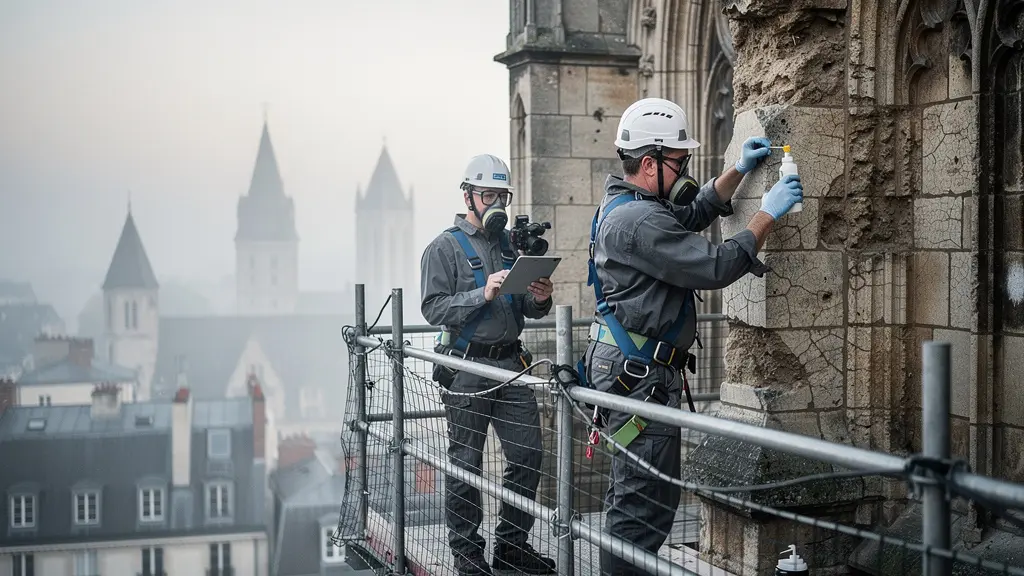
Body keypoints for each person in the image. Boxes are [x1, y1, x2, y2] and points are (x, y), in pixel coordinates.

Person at [581, 97, 803, 576]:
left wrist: (737, 171)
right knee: (643, 507)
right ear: (648, 163)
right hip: (638, 372)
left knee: (636, 496)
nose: (684, 172)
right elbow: (716, 265)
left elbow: (691, 214)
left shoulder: (631, 205)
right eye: (679, 163)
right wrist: (766, 214)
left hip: (628, 366)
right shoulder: (638, 220)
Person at [420, 153, 557, 576]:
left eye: (502, 195)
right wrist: (482, 294)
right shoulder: (443, 248)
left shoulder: (510, 245)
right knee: (466, 463)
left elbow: (531, 312)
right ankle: (467, 553)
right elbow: (432, 308)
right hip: (467, 369)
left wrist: (540, 295)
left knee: (529, 455)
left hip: (510, 365)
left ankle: (511, 548)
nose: (496, 203)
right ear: (468, 196)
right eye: (488, 195)